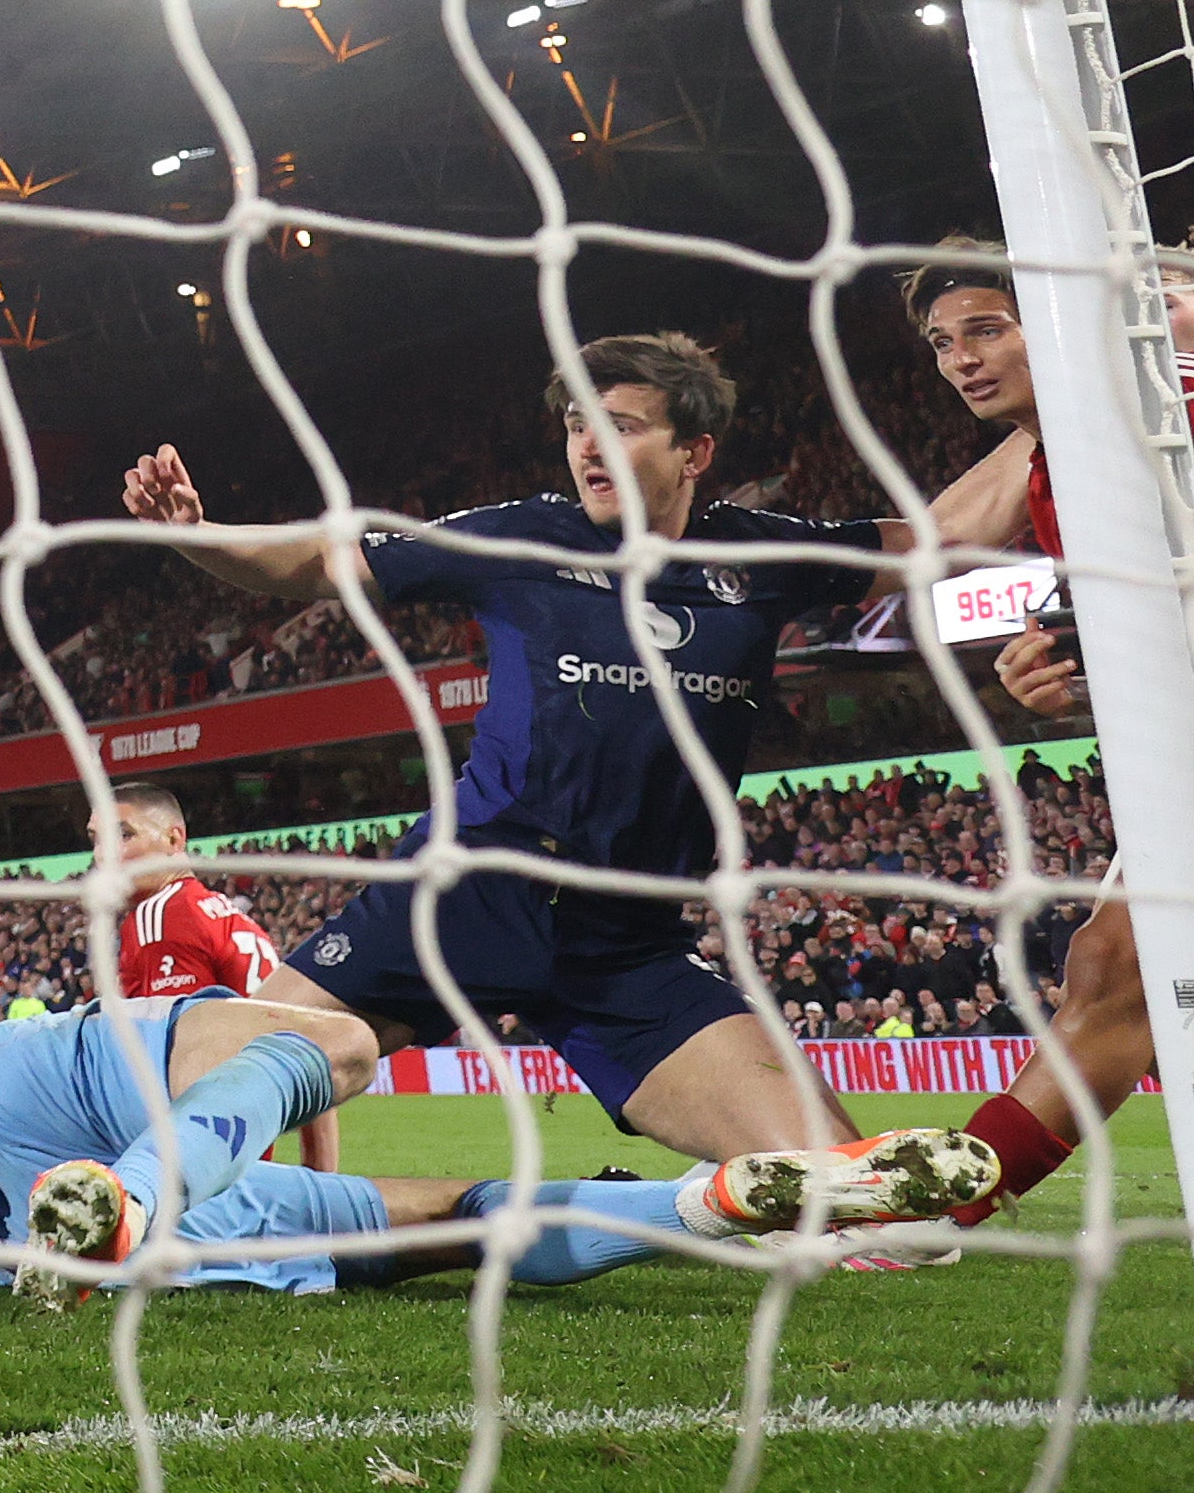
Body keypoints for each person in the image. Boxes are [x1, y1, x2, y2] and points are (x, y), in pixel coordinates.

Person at [122, 329, 1001, 1171]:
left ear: (693, 452)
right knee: (204, 1076)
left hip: (626, 940)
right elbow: (320, 561)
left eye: (617, 425)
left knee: (843, 1181)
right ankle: (78, 1199)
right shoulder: (523, 537)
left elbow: (943, 537)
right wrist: (200, 534)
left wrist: (1051, 420)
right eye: (576, 424)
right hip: (465, 896)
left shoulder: (762, 555)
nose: (587, 445)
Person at [0, 1020, 990, 1298]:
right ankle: (719, 1198)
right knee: (340, 1075)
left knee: (416, 1225)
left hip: (4, 1212)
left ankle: (142, 1197)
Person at [897, 248, 1175, 1228]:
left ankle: (929, 1216)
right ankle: (934, 1214)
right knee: (1108, 975)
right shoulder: (1049, 446)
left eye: (986, 329)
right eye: (941, 342)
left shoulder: (1142, 385)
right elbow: (923, 538)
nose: (961, 359)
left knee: (1117, 980)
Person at [92, 782, 336, 1176]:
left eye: (124, 835)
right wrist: (321, 1180)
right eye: (96, 839)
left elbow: (170, 1068)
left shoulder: (161, 917)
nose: (104, 854)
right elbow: (309, 1047)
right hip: (245, 1164)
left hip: (201, 1175)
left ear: (174, 839)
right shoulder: (229, 917)